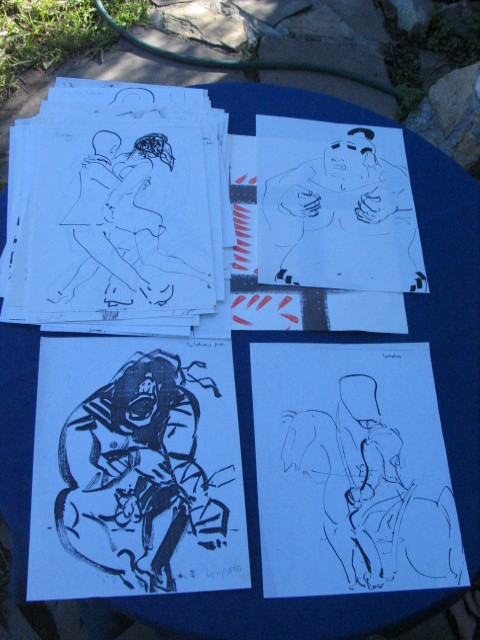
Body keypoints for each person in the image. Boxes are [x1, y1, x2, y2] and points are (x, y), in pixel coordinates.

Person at [55, 349, 228, 593]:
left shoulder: (178, 406)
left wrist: (202, 505)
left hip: (148, 506)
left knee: (179, 497)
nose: (148, 385)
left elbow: (180, 464)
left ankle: (153, 566)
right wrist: (134, 459)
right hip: (104, 507)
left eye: (156, 379)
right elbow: (82, 478)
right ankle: (127, 566)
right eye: (139, 379)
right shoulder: (90, 416)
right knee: (68, 507)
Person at [262, 128, 426, 291]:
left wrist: (392, 202)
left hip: (379, 268)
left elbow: (415, 200)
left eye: (351, 147)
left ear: (367, 155)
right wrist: (290, 200)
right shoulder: (312, 170)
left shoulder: (389, 175)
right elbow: (272, 190)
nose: (337, 155)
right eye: (334, 146)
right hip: (309, 266)